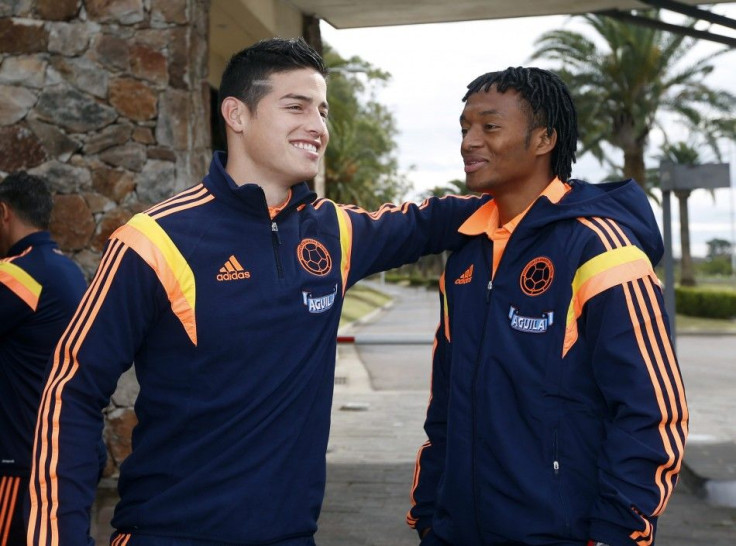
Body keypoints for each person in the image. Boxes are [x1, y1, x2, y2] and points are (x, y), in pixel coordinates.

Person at [27, 38, 484, 545]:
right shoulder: (154, 241)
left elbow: (437, 220)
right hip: (171, 535)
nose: (318, 126)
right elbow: (71, 388)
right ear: (236, 115)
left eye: (323, 110)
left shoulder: (334, 233)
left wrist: (562, 197)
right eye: (296, 106)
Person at [406, 67, 688, 546]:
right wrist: (431, 514)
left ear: (543, 139)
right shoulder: (467, 258)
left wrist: (618, 535)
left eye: (489, 127)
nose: (469, 142)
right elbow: (447, 407)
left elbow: (655, 413)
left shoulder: (601, 251)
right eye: (464, 128)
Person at [0, 171, 88, 545]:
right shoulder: (68, 271)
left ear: (3, 213)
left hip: (16, 459)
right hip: (60, 452)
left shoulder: (17, 274)